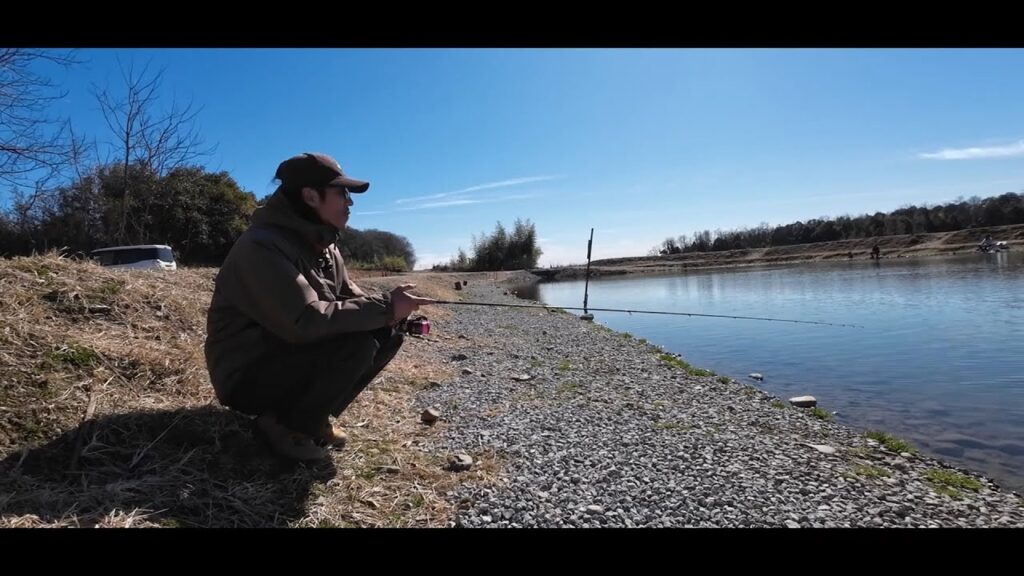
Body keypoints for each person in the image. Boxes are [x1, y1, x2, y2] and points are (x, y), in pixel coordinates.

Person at [204, 152, 435, 460]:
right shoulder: (261, 246)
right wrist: (385, 307)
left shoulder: (326, 246)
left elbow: (350, 299)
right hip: (245, 375)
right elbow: (304, 320)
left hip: (286, 355)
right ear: (311, 196)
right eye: (342, 193)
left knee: (386, 335)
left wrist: (392, 314)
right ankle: (284, 425)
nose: (349, 202)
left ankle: (311, 417)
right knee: (357, 345)